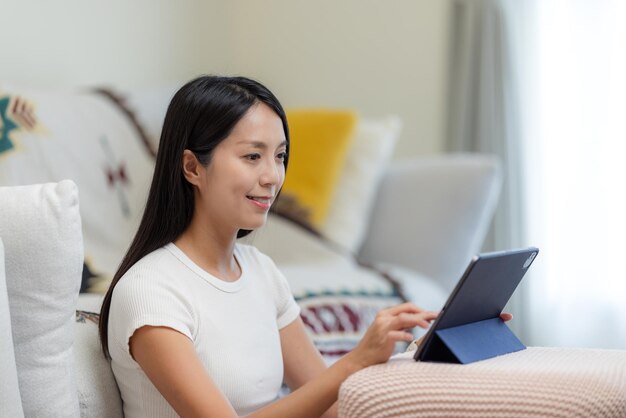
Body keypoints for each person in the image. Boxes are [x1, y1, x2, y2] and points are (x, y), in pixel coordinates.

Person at [98, 75, 438, 418]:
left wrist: (415, 361)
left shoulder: (260, 271)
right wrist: (354, 362)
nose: (273, 176)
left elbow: (330, 407)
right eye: (252, 156)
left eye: (279, 156)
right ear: (192, 168)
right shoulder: (150, 291)